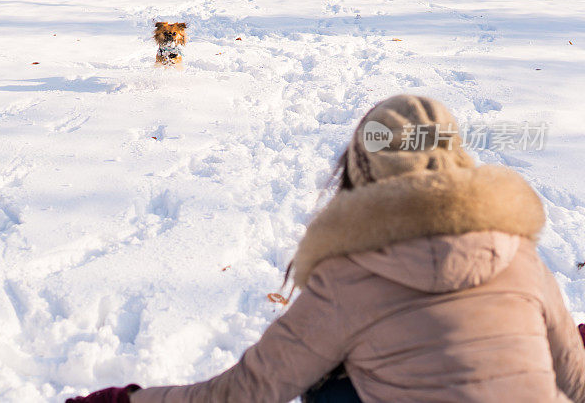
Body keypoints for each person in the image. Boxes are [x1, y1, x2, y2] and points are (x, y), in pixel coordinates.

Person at [67, 95, 585, 403]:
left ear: (362, 172)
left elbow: (246, 392)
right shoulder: (520, 257)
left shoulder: (350, 279)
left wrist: (125, 400)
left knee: (326, 382)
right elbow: (575, 379)